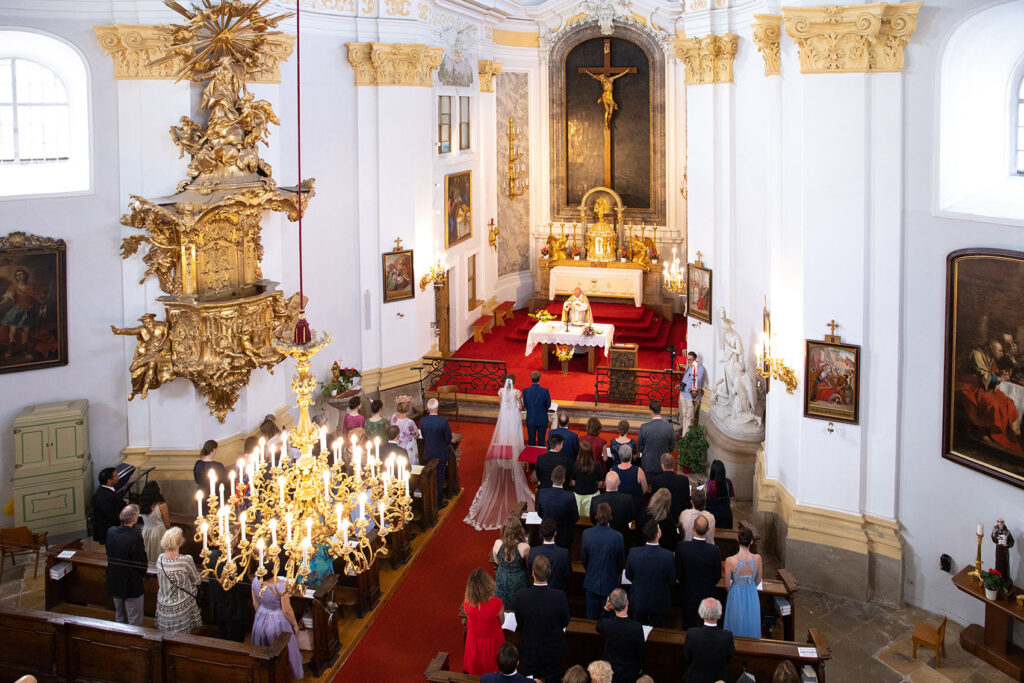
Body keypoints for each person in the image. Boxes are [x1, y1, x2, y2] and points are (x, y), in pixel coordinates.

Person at [466, 377, 535, 530]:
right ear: (515, 381)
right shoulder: (517, 392)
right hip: (514, 418)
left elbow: (500, 405)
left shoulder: (502, 392)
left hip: (505, 418)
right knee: (514, 440)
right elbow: (520, 406)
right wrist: (518, 402)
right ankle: (514, 462)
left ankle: (504, 462)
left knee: (504, 438)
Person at [514, 555, 570, 683]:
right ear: (549, 573)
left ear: (533, 573)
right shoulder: (559, 596)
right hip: (553, 650)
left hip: (531, 650)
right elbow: (565, 621)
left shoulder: (521, 596)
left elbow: (520, 623)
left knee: (531, 680)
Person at [252, 573, 303, 679]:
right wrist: (294, 625)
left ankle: (265, 676)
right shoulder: (282, 585)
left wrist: (262, 618)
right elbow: (287, 610)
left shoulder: (255, 581)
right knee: (283, 650)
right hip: (278, 620)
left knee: (262, 650)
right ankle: (283, 675)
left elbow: (256, 604)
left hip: (261, 616)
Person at [625, 520, 676, 627]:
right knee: (656, 631)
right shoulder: (667, 556)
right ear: (658, 534)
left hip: (639, 599)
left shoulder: (634, 553)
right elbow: (671, 580)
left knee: (638, 630)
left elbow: (628, 575)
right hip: (659, 602)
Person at [676, 516, 722, 628]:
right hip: (707, 593)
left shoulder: (682, 547)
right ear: (708, 530)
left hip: (688, 593)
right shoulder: (714, 550)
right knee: (706, 627)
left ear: (693, 528)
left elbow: (679, 573)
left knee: (688, 625)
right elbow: (717, 575)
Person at [581, 503, 625, 619]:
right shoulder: (618, 537)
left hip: (592, 582)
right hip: (610, 582)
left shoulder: (587, 534)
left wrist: (590, 570)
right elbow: (620, 562)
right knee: (609, 621)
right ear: (610, 517)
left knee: (591, 620)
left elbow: (584, 559)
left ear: (596, 516)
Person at [105, 504, 147, 625]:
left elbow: (109, 552)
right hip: (131, 583)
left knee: (119, 616)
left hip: (115, 579)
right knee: (134, 619)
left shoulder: (111, 531)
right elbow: (141, 562)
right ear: (134, 519)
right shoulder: (135, 537)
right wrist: (141, 574)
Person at [155, 527, 203, 633]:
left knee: (164, 637)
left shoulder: (160, 558)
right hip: (180, 608)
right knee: (181, 639)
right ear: (179, 541)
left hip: (163, 606)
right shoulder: (185, 560)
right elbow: (196, 580)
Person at [596, 589, 645, 683]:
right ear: (627, 602)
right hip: (629, 673)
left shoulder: (607, 624)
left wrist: (606, 608)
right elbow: (641, 651)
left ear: (612, 606)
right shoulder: (636, 627)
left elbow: (598, 626)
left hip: (610, 672)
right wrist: (641, 666)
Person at [464, 568, 506, 676]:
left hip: (474, 641)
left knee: (477, 669)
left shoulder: (467, 603)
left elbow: (470, 618)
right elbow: (502, 621)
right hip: (493, 641)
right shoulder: (496, 603)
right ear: (488, 584)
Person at [723, 526, 762, 638]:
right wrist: (749, 584)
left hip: (736, 593)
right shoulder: (758, 558)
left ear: (737, 539)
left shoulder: (730, 560)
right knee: (751, 620)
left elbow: (726, 585)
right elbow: (758, 579)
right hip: (751, 592)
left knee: (735, 622)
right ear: (751, 541)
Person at [683, 598, 734, 683]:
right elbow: (729, 658)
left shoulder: (692, 634)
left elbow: (687, 656)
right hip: (719, 679)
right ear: (720, 614)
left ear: (701, 613)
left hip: (695, 678)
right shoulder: (727, 636)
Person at [206, 547, 247, 642]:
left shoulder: (211, 556)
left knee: (222, 640)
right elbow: (244, 587)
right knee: (236, 644)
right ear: (232, 541)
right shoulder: (236, 561)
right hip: (234, 611)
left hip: (218, 607)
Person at [492, 515, 530, 609]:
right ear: (519, 530)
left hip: (502, 577)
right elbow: (528, 565)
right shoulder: (524, 547)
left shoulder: (497, 543)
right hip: (517, 579)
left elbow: (496, 561)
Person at [420, 397, 453, 505]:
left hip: (428, 452)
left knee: (429, 478)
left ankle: (429, 500)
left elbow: (424, 436)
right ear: (437, 408)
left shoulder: (423, 421)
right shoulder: (442, 421)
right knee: (439, 477)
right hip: (440, 454)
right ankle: (438, 502)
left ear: (428, 409)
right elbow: (449, 438)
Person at [538, 466, 579, 549]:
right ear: (563, 480)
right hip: (564, 536)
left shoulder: (542, 493)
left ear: (551, 478)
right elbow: (575, 517)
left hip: (546, 534)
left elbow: (540, 513)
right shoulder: (570, 496)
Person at [528, 518, 570, 593]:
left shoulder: (532, 552)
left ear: (541, 533)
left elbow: (530, 572)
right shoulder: (564, 554)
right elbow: (567, 575)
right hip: (557, 593)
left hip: (537, 593)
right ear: (555, 533)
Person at [590, 471, 635, 539]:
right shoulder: (628, 499)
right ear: (619, 483)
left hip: (601, 537)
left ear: (605, 483)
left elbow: (593, 520)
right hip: (622, 537)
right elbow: (630, 518)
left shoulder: (595, 500)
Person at [649, 452, 691, 524]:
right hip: (679, 516)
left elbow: (653, 500)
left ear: (662, 465)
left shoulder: (656, 480)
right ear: (673, 464)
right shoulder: (684, 480)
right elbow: (687, 499)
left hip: (661, 517)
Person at [637, 400, 675, 479]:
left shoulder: (644, 427)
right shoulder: (669, 427)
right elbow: (672, 447)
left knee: (648, 488)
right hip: (664, 465)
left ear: (651, 411)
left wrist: (647, 452)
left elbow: (640, 446)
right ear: (660, 410)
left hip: (648, 464)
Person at [92, 467, 127, 545]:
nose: (118, 477)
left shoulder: (104, 490)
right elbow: (112, 515)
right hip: (111, 531)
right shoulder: (104, 496)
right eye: (116, 476)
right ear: (109, 480)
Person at [611, 445, 647, 518]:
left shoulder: (612, 470)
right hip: (634, 509)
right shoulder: (639, 471)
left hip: (617, 509)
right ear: (631, 456)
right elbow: (645, 490)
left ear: (619, 456)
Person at [139, 481, 169, 562]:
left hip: (145, 531)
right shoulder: (161, 505)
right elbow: (167, 523)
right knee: (159, 555)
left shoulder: (142, 504)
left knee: (147, 554)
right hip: (158, 532)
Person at [572, 442, 603, 516]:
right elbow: (600, 483)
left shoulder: (576, 465)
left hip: (579, 497)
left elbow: (573, 482)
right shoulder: (596, 465)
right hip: (593, 496)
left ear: (580, 453)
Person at [523, 370, 552, 447]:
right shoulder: (545, 391)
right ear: (540, 379)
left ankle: (530, 458)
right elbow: (548, 405)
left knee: (531, 441)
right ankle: (540, 458)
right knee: (541, 441)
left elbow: (525, 405)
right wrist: (543, 410)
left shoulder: (525, 391)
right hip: (542, 418)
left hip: (531, 418)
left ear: (531, 379)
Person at [679, 351, 707, 431]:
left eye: (690, 360)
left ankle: (686, 439)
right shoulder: (688, 365)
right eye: (688, 359)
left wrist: (693, 368)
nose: (688, 362)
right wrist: (681, 384)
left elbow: (697, 383)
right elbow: (686, 376)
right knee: (684, 415)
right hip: (683, 394)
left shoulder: (700, 368)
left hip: (691, 397)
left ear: (695, 359)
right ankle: (684, 435)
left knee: (689, 417)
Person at [391, 396, 420, 466]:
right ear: (408, 408)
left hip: (397, 445)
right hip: (408, 448)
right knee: (411, 466)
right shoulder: (410, 422)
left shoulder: (393, 417)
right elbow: (416, 435)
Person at [706, 459, 735, 529]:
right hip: (726, 515)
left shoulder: (709, 485)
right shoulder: (729, 482)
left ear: (712, 472)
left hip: (712, 516)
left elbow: (705, 500)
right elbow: (731, 499)